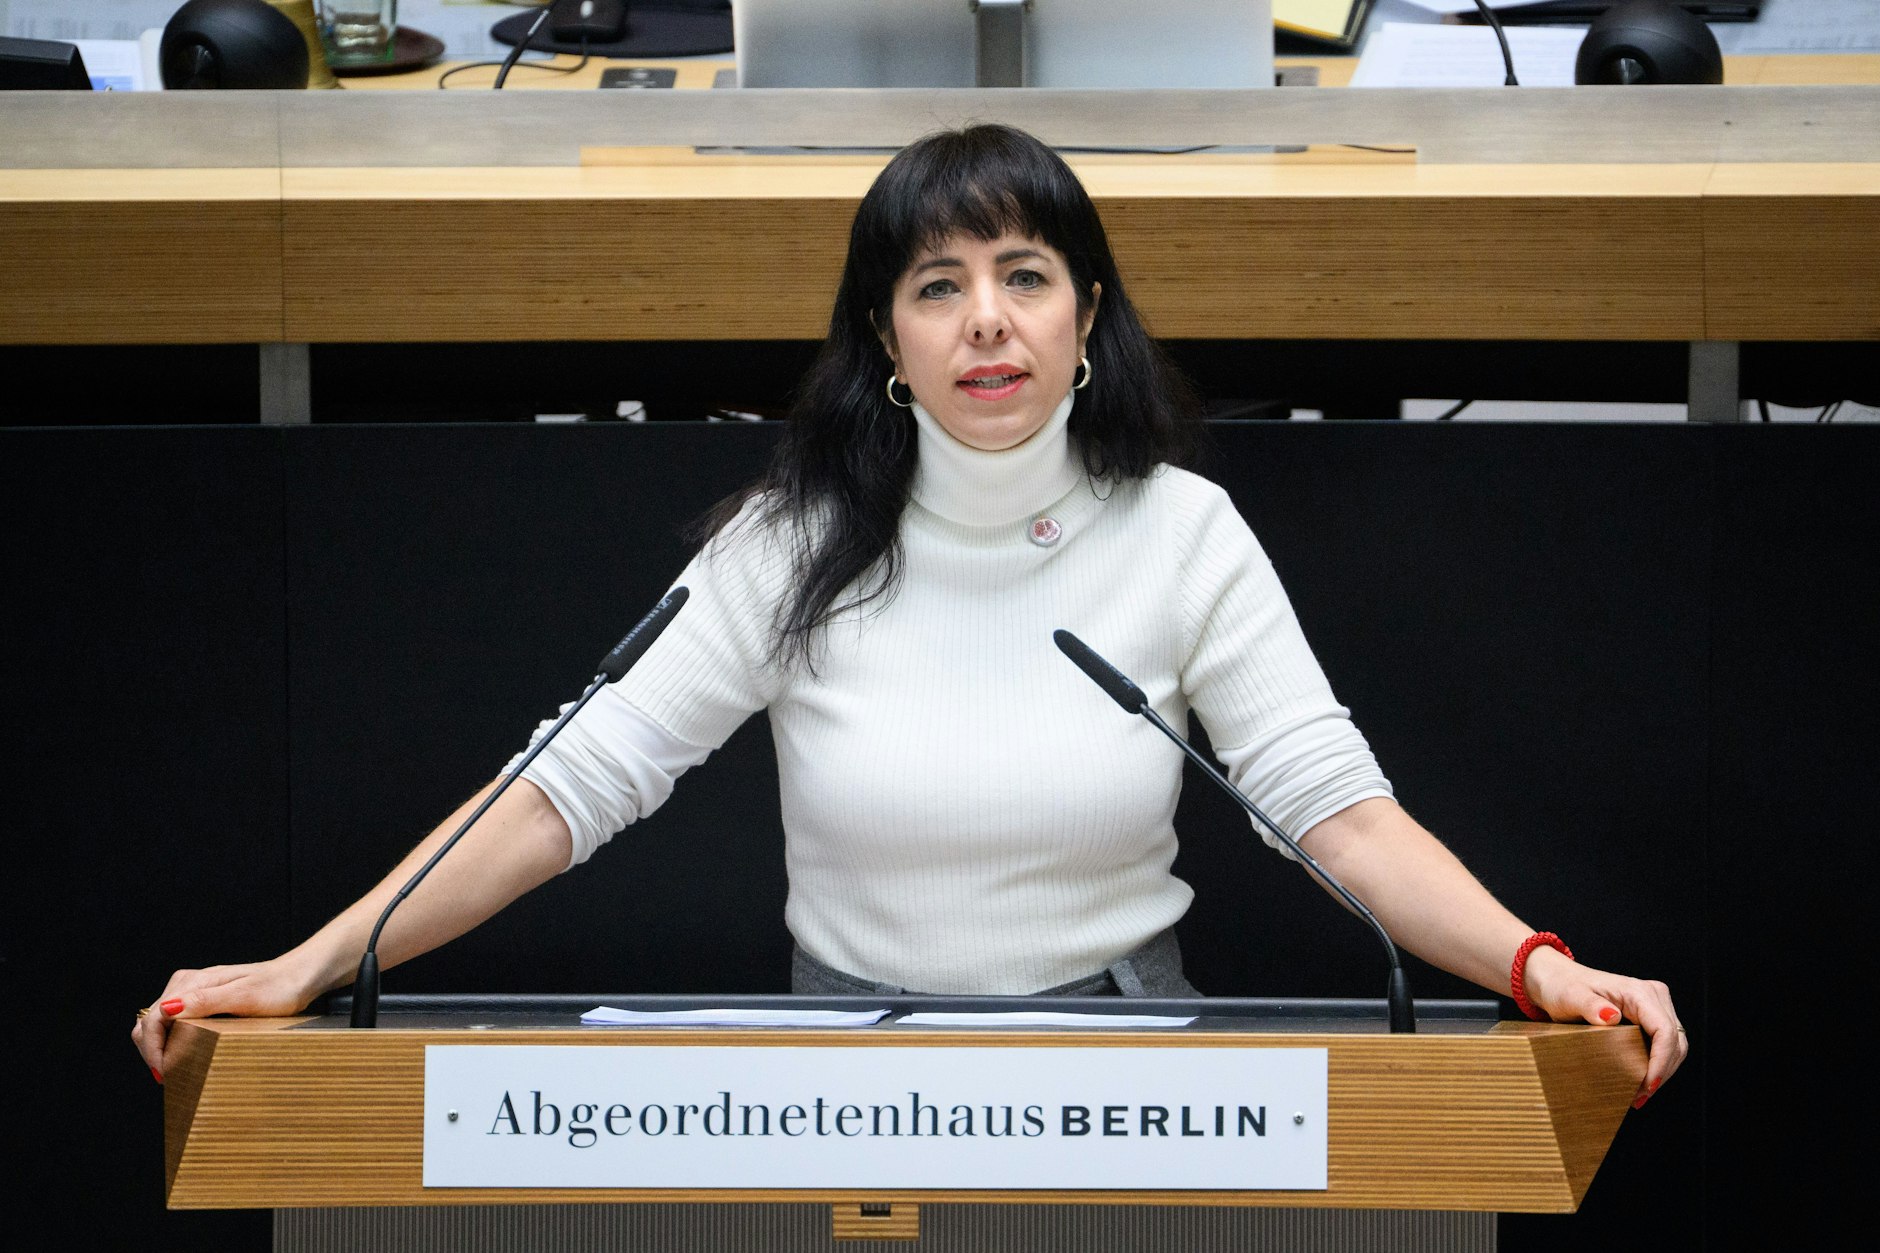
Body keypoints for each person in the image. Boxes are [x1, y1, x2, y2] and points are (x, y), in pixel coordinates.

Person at [133, 123, 1687, 1106]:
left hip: (1139, 1079)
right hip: (850, 1081)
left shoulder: (1182, 532)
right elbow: (564, 787)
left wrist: (1540, 966)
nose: (988, 319)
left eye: (1027, 273)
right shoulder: (796, 540)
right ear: (886, 333)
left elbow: (1336, 814)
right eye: (938, 285)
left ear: (1089, 316)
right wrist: (311, 965)